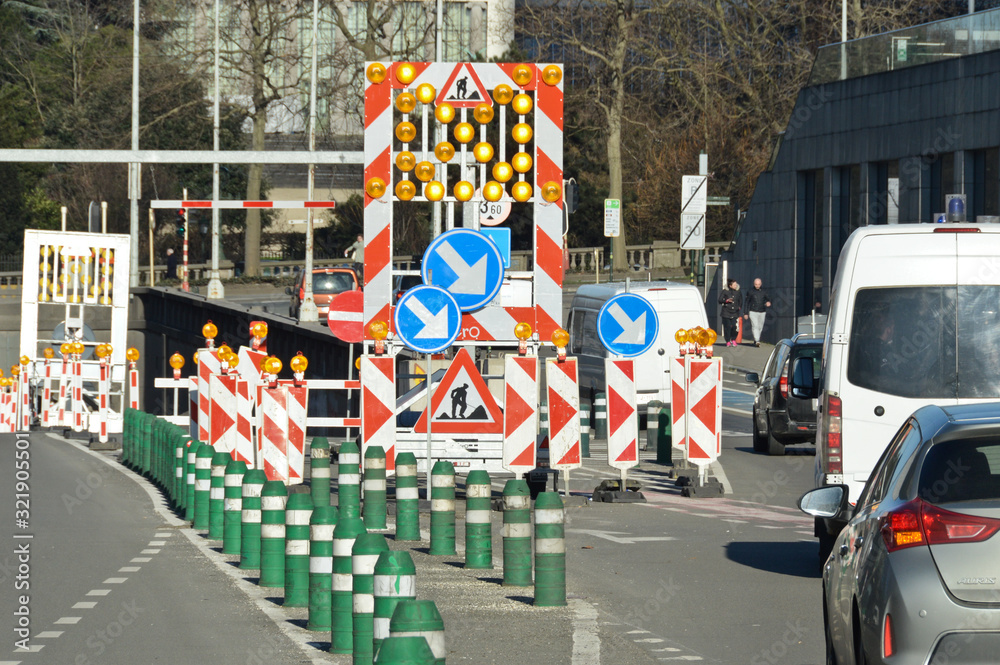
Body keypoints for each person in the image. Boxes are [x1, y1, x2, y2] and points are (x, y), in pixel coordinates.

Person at [742, 277, 771, 347]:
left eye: (758, 284)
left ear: (761, 284)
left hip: (762, 311)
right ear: (754, 284)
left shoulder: (764, 291)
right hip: (753, 311)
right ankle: (757, 340)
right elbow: (747, 302)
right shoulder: (750, 291)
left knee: (760, 327)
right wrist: (745, 313)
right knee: (755, 325)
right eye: (756, 284)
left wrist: (768, 302)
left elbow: (769, 299)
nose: (757, 286)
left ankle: (756, 340)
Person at [718, 278, 743, 347]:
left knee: (734, 327)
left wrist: (739, 307)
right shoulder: (725, 291)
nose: (735, 286)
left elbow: (740, 300)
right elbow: (720, 300)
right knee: (728, 327)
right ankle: (728, 340)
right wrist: (726, 300)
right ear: (730, 286)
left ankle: (733, 339)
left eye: (736, 284)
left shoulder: (738, 291)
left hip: (735, 312)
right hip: (726, 312)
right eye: (734, 285)